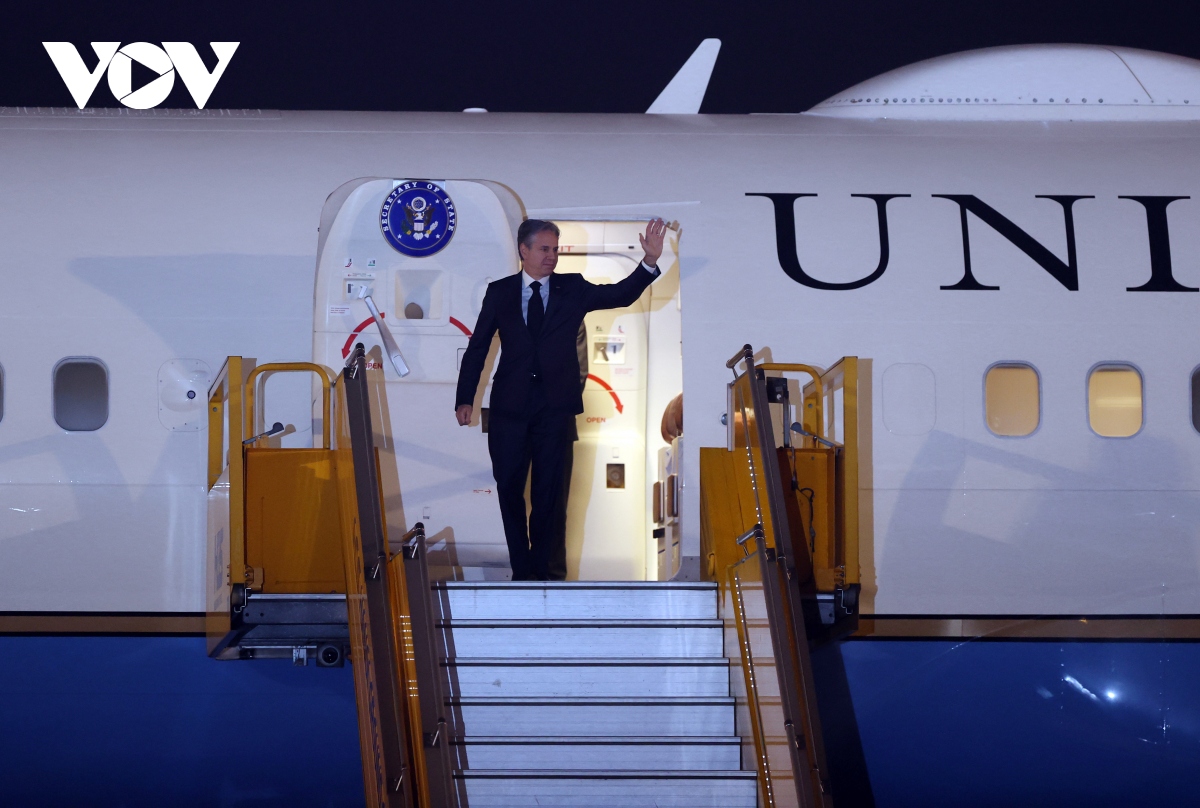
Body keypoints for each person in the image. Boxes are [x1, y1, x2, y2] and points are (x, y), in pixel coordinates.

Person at [455, 218, 667, 580]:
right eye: (544, 249)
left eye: (555, 249)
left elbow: (619, 294)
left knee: (548, 497)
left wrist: (648, 262)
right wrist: (465, 398)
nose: (551, 256)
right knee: (508, 489)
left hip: (555, 411)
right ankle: (522, 571)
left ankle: (542, 575)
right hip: (509, 411)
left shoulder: (573, 288)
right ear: (524, 250)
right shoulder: (500, 292)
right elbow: (478, 348)